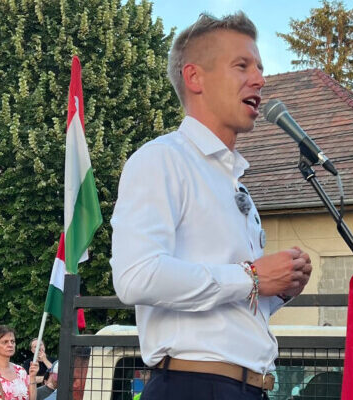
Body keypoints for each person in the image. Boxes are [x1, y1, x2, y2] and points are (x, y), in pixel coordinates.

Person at [110, 12, 312, 400]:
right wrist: (253, 277)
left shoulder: (235, 182)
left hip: (249, 386)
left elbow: (228, 309)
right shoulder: (161, 159)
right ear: (194, 78)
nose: (260, 79)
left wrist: (277, 289)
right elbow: (135, 276)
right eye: (242, 65)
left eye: (259, 67)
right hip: (194, 386)